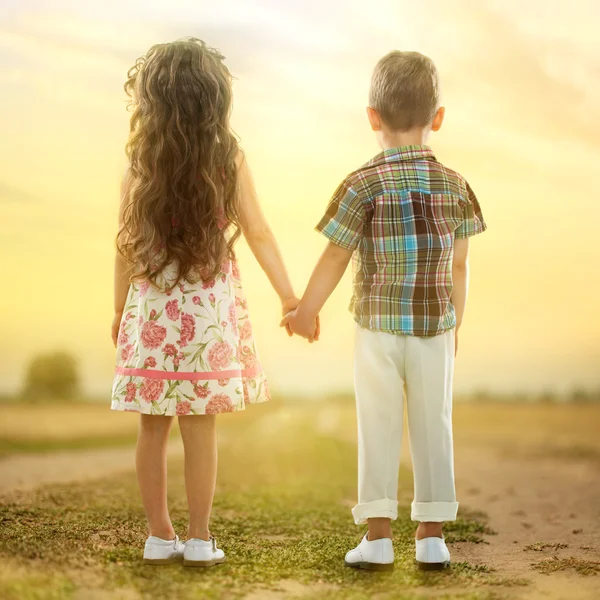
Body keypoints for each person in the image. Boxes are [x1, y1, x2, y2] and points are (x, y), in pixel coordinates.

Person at [282, 50, 486, 571]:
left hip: (376, 327)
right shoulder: (457, 186)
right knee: (433, 425)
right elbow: (459, 267)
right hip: (435, 325)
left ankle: (376, 538)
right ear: (437, 118)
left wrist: (305, 311)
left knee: (376, 424)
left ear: (373, 117)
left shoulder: (360, 184)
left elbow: (335, 253)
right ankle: (432, 536)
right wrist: (455, 324)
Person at [110, 37, 304, 567]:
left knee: (152, 424)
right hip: (206, 315)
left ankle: (158, 535)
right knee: (201, 424)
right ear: (214, 97)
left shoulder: (139, 163)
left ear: (151, 97)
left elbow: (124, 245)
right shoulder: (226, 158)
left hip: (150, 308)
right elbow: (259, 232)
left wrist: (117, 308)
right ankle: (198, 539)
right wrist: (289, 295)